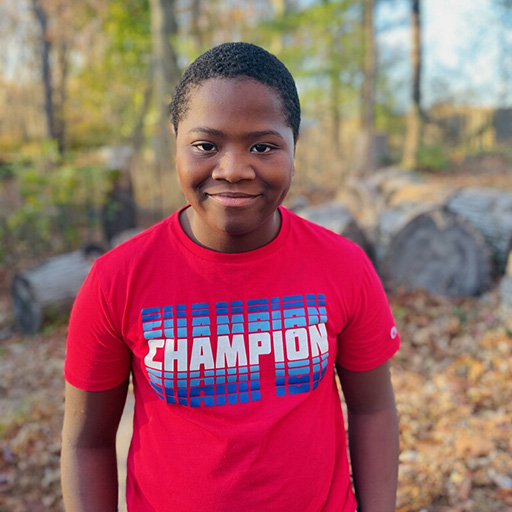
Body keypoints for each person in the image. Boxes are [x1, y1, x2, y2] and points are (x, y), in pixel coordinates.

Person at [61, 42, 400, 512]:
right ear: (175, 143)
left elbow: (374, 409)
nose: (234, 170)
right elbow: (87, 443)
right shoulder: (116, 280)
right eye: (206, 145)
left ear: (294, 150)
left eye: (263, 146)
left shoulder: (344, 266)